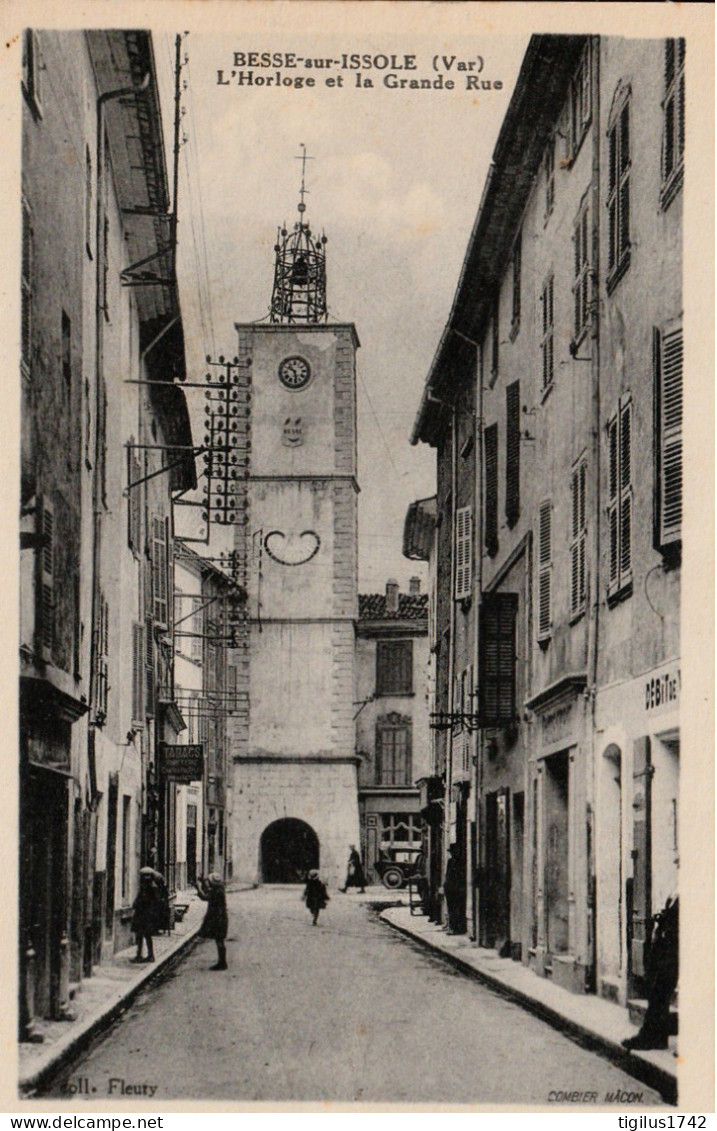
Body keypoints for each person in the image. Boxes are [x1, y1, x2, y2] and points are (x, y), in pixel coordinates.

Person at [622, 892, 679, 1051]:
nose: (677, 864)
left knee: (659, 993)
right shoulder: (675, 893)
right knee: (657, 994)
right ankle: (655, 1037)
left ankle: (650, 1037)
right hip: (665, 952)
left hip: (674, 953)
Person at [130, 867, 166, 963]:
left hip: (145, 915)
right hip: (144, 914)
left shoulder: (150, 887)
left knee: (144, 935)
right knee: (143, 935)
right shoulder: (147, 886)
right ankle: (145, 955)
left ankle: (146, 955)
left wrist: (138, 903)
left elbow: (148, 900)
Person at [195, 873, 229, 970]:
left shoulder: (216, 892)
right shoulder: (219, 889)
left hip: (218, 918)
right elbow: (208, 891)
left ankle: (222, 963)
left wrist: (198, 888)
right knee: (219, 940)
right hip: (221, 917)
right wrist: (202, 883)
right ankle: (222, 961)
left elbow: (204, 896)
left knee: (219, 940)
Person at [443, 843, 463, 935]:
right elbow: (447, 875)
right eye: (451, 852)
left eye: (453, 851)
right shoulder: (450, 861)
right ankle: (451, 927)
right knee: (451, 909)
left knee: (457, 909)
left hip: (457, 889)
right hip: (450, 888)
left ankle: (457, 928)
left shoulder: (460, 862)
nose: (452, 853)